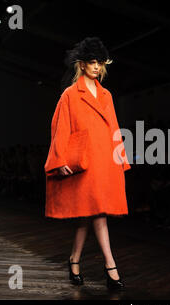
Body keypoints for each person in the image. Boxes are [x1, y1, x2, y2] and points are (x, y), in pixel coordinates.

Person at [44, 37, 131, 290]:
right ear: (82, 65)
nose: (96, 67)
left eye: (100, 63)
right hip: (84, 163)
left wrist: (120, 159)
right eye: (92, 62)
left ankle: (74, 260)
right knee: (98, 215)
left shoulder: (106, 95)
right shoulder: (70, 95)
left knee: (87, 216)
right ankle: (110, 266)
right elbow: (60, 129)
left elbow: (115, 128)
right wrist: (59, 160)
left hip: (104, 161)